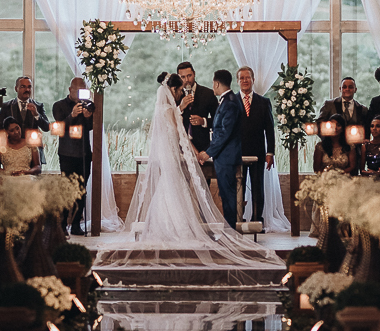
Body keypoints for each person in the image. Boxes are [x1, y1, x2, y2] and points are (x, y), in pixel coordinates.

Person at [94, 76, 283, 278]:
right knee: (174, 192)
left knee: (167, 193)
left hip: (171, 158)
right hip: (172, 159)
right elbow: (182, 135)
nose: (180, 94)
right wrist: (197, 152)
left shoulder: (164, 110)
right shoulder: (170, 111)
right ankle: (177, 230)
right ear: (173, 90)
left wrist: (201, 150)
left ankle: (168, 228)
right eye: (179, 91)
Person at [199, 70, 243, 229]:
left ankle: (230, 231)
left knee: (228, 196)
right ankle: (229, 230)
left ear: (217, 83)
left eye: (213, 83)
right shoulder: (227, 100)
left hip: (227, 157)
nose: (213, 86)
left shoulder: (230, 103)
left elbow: (225, 133)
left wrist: (208, 152)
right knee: (225, 195)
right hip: (223, 157)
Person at [52, 77, 95, 234]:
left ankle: (76, 224)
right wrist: (72, 115)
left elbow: (90, 128)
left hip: (84, 153)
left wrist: (88, 117)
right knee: (66, 190)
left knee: (81, 190)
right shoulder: (59, 105)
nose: (79, 94)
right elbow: (59, 128)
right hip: (67, 154)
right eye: (77, 90)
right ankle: (63, 225)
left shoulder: (87, 105)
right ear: (70, 90)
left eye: (82, 91)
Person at [236, 67, 275, 224]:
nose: (245, 81)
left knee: (258, 188)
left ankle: (257, 220)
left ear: (253, 80)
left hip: (258, 153)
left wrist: (270, 153)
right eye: (242, 78)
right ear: (237, 81)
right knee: (238, 188)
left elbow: (270, 130)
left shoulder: (264, 102)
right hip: (237, 153)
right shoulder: (231, 101)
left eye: (247, 78)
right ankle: (238, 219)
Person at [176, 61, 219, 155]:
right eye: (183, 77)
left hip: (203, 147)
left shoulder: (208, 94)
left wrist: (203, 121)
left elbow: (219, 120)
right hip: (180, 148)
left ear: (194, 74)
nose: (187, 80)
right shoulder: (174, 95)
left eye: (189, 75)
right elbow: (169, 119)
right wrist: (180, 107)